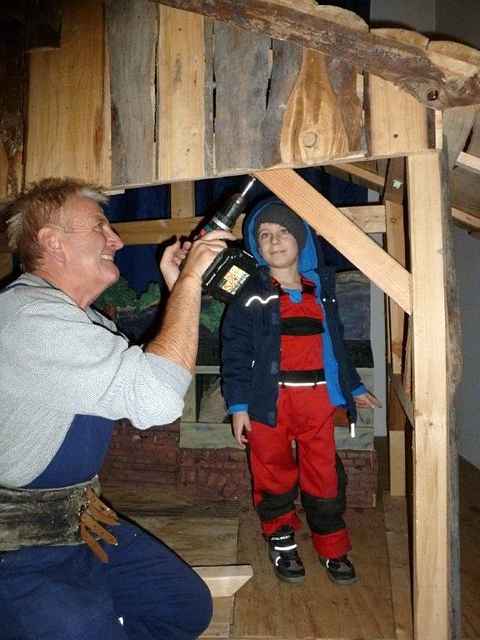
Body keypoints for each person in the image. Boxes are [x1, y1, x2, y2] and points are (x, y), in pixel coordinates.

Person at [0, 177, 233, 640]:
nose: (117, 240)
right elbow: (157, 399)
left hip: (81, 523)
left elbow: (137, 377)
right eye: (100, 227)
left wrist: (175, 289)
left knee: (184, 607)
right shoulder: (29, 318)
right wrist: (189, 283)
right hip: (16, 548)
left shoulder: (79, 319)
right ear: (52, 242)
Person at [221, 199, 380, 585]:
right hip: (268, 402)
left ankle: (332, 545)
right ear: (255, 245)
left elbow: (335, 344)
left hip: (316, 401)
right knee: (271, 472)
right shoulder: (250, 293)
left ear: (302, 239)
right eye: (264, 235)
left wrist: (353, 385)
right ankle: (281, 538)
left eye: (283, 233)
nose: (274, 242)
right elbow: (235, 350)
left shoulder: (319, 291)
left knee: (323, 474)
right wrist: (239, 405)